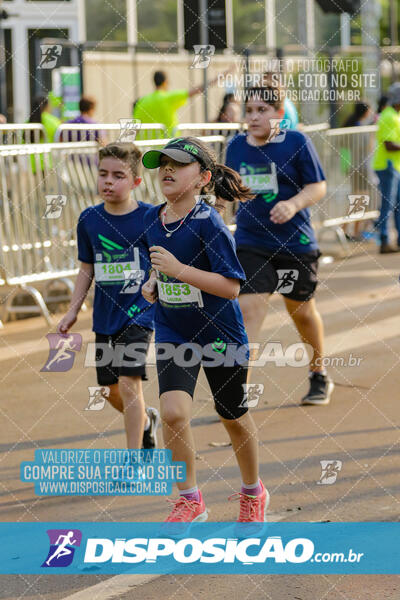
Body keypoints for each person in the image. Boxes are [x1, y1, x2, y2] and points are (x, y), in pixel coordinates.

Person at [141, 137, 268, 529]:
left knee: (231, 414)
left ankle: (253, 491)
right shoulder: (152, 219)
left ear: (202, 178)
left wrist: (178, 271)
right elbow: (160, 267)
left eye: (178, 164)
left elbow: (231, 286)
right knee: (174, 413)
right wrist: (152, 282)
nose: (167, 169)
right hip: (173, 329)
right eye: (163, 163)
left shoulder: (208, 222)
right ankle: (189, 499)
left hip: (220, 332)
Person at [226, 85, 334, 406]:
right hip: (250, 241)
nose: (254, 117)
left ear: (278, 113)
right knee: (248, 310)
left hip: (294, 243)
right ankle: (238, 391)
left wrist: (294, 204)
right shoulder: (236, 147)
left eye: (262, 110)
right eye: (249, 111)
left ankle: (319, 374)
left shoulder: (297, 142)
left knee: (300, 311)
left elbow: (318, 186)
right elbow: (227, 191)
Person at [57, 142, 159, 449]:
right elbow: (86, 268)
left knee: (129, 384)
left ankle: (134, 459)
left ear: (136, 182)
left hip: (140, 313)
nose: (108, 181)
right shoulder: (89, 219)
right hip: (105, 316)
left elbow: (160, 261)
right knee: (109, 389)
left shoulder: (149, 217)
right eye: (103, 174)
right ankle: (145, 419)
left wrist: (154, 282)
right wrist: (74, 309)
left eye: (118, 175)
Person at [133, 70, 223, 138]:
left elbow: (134, 127)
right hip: (166, 148)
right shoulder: (168, 97)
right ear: (165, 82)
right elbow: (197, 90)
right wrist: (220, 77)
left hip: (146, 152)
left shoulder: (142, 101)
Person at [372, 82, 400, 253]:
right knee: (388, 205)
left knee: (397, 205)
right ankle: (384, 239)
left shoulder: (395, 115)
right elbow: (389, 145)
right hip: (387, 166)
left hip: (395, 166)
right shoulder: (388, 116)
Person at [342, 101, 374, 242]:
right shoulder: (359, 128)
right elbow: (366, 147)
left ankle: (348, 229)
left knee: (357, 198)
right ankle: (352, 231)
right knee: (359, 199)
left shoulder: (351, 125)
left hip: (354, 166)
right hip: (360, 167)